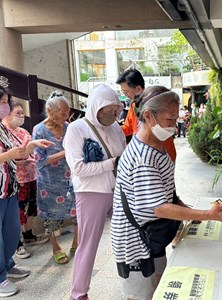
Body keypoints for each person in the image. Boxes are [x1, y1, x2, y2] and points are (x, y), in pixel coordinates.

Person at [111, 86, 222, 300]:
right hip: (135, 242)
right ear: (148, 116)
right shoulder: (144, 157)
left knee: (159, 287)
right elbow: (160, 208)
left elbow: (167, 194)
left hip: (151, 235)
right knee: (141, 295)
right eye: (170, 119)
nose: (174, 125)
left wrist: (193, 212)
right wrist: (207, 215)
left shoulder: (157, 144)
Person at [64, 84, 126, 300]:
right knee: (88, 244)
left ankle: (133, 283)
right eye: (109, 109)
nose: (114, 114)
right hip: (91, 193)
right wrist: (111, 164)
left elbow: (124, 157)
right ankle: (79, 293)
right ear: (96, 106)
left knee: (127, 237)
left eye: (116, 109)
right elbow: (78, 169)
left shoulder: (116, 128)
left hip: (117, 191)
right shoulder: (77, 129)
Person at [0, 86, 54, 298]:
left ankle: (8, 265)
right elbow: (10, 154)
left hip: (10, 188)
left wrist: (32, 145)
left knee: (11, 233)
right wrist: (7, 156)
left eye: (6, 102)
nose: (6, 107)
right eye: (3, 102)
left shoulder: (3, 128)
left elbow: (19, 152)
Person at [33, 91, 78, 265]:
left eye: (67, 113)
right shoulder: (39, 130)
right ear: (49, 110)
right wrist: (65, 153)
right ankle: (55, 247)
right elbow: (39, 161)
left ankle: (77, 242)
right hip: (49, 181)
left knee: (77, 213)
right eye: (62, 113)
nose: (66, 117)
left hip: (70, 178)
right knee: (52, 217)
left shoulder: (68, 127)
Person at [2, 102, 49, 260]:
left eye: (22, 113)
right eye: (18, 113)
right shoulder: (5, 131)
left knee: (30, 207)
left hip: (30, 175)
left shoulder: (23, 131)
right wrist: (22, 152)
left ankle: (28, 235)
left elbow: (28, 151)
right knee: (17, 212)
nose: (21, 116)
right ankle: (17, 245)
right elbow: (16, 155)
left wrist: (33, 146)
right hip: (14, 179)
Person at [116, 68, 177, 161]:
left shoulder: (158, 103)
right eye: (123, 92)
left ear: (138, 89)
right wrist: (111, 130)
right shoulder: (133, 106)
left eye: (126, 91)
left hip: (163, 151)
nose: (126, 95)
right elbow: (128, 128)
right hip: (143, 153)